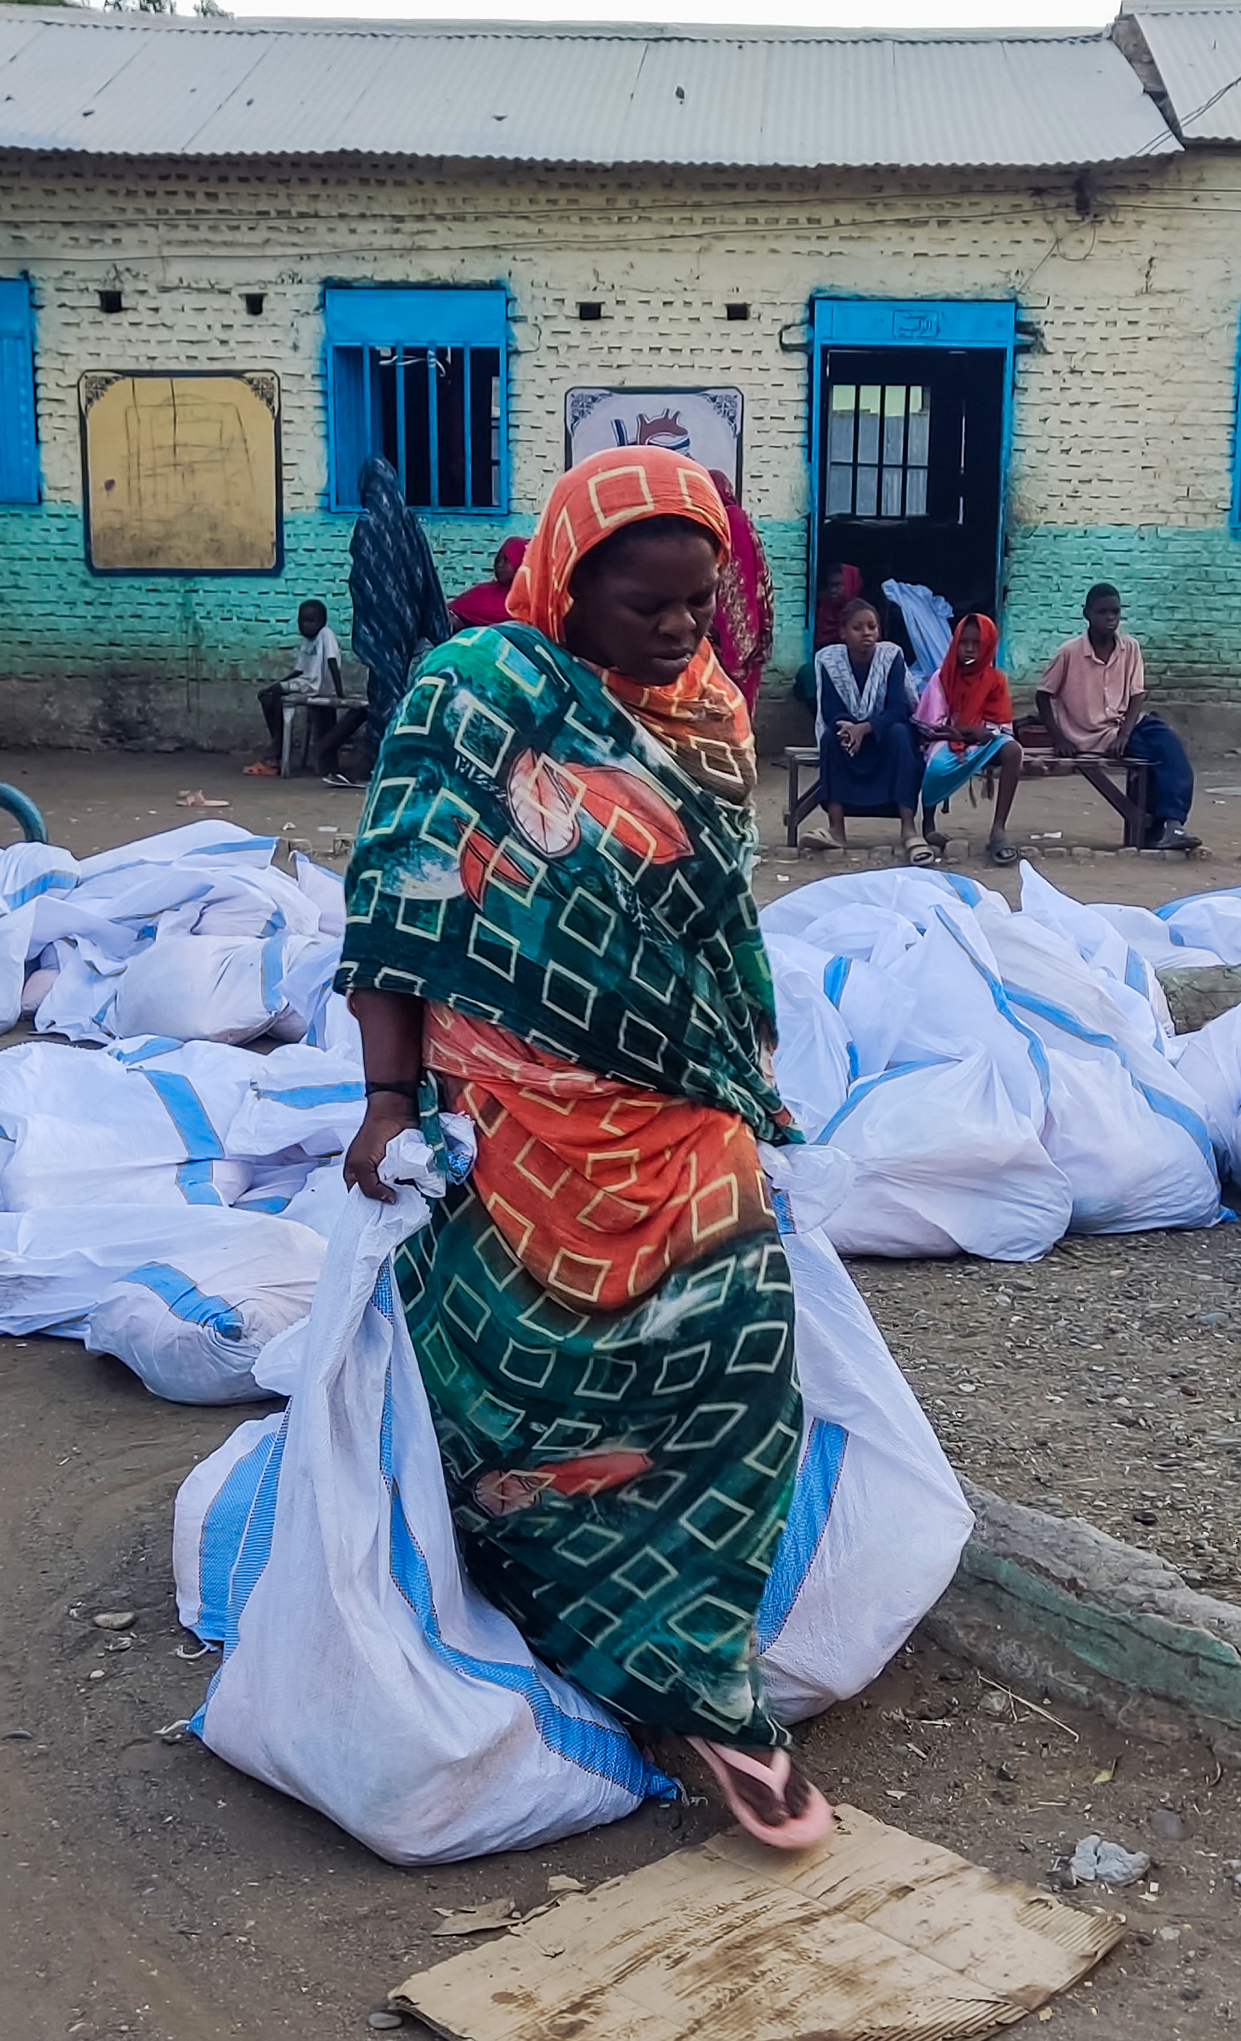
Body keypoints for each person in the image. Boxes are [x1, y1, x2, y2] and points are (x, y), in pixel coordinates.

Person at [332, 442, 835, 1852]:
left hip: (680, 1108)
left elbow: (721, 921)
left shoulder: (712, 712)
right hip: (512, 1117)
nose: (682, 630)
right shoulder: (474, 695)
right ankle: (545, 1601)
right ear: (566, 583)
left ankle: (702, 1676)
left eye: (701, 600)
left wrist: (751, 1066)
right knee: (520, 1392)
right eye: (649, 605)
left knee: (740, 1360)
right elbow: (400, 901)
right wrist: (385, 1105)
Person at [1032, 583, 1197, 851]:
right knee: (1154, 757)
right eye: (1102, 612)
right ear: (1087, 614)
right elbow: (1043, 695)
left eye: (1115, 612)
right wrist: (1059, 736)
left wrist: (1125, 733)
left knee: (1170, 746)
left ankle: (1173, 824)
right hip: (1094, 733)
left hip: (1128, 725)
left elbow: (1136, 695)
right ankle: (1153, 827)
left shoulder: (1129, 647)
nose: (1110, 618)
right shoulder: (1069, 652)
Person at [799, 599, 928, 861]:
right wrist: (849, 728)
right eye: (857, 628)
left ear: (879, 631)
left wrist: (866, 728)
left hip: (884, 731)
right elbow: (830, 708)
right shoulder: (828, 660)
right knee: (830, 740)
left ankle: (909, 828)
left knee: (901, 735)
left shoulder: (891, 656)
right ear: (843, 632)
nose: (866, 633)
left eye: (872, 627)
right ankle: (836, 830)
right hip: (849, 734)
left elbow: (898, 707)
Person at [349, 456, 452, 754]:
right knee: (396, 682)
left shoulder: (368, 524)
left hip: (379, 622)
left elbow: (364, 577)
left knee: (383, 689)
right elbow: (425, 569)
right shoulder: (408, 521)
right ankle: (393, 749)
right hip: (407, 619)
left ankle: (384, 753)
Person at [917, 611, 1018, 863]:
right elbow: (933, 726)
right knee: (936, 767)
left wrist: (975, 733)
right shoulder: (942, 677)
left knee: (1013, 750)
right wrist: (968, 731)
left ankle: (998, 830)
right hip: (945, 740)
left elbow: (1002, 727)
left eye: (977, 644)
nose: (969, 650)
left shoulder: (995, 680)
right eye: (964, 643)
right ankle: (928, 826)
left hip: (982, 741)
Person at [250, 598, 361, 783]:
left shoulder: (326, 635)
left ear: (322, 622)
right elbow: (298, 671)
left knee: (275, 694)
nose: (307, 626)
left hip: (318, 686)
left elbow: (333, 662)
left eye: (311, 621)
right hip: (306, 683)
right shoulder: (307, 642)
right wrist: (275, 684)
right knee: (267, 696)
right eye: (303, 621)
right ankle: (279, 738)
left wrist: (339, 692)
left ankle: (278, 743)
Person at [704, 472, 775, 720]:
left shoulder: (729, 520)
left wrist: (736, 653)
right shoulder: (719, 523)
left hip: (724, 645)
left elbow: (738, 584)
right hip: (727, 642)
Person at [447, 537, 529, 632]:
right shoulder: (482, 593)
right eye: (498, 558)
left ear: (519, 564)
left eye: (506, 560)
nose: (499, 564)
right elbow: (452, 613)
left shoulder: (526, 604)